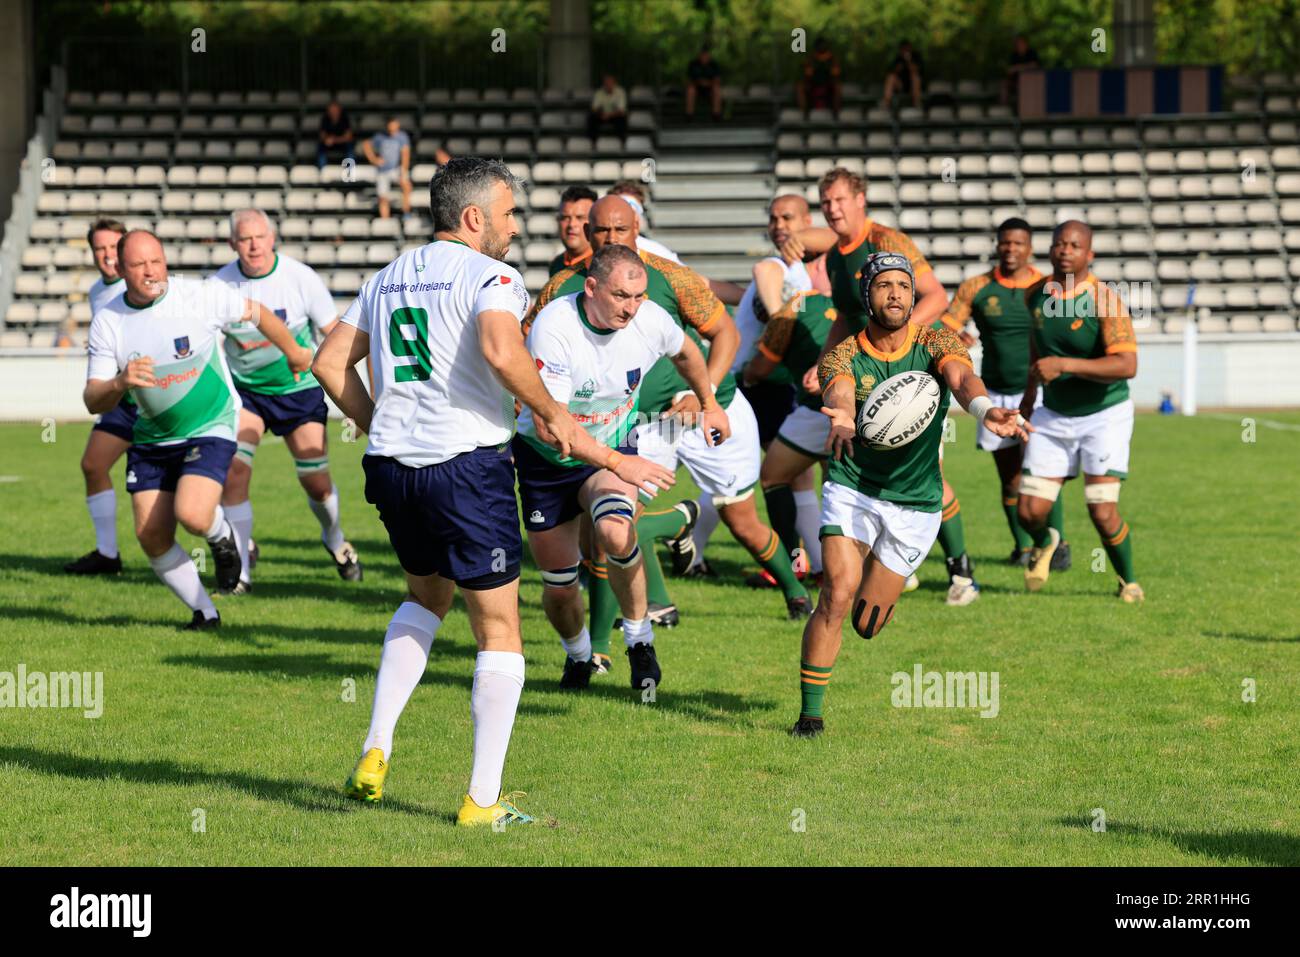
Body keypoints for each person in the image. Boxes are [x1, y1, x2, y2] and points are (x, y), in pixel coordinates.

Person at [313, 157, 581, 827]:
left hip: (394, 469)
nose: (516, 227)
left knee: (425, 598)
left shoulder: (386, 275)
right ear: (473, 218)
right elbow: (499, 348)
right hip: (465, 468)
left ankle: (376, 747)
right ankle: (481, 801)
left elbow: (326, 362)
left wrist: (382, 425)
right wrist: (552, 411)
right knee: (500, 629)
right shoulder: (492, 275)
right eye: (510, 213)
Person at [530, 196, 811, 669]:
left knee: (740, 520)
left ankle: (795, 590)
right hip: (638, 423)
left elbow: (724, 335)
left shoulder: (669, 275)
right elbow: (523, 340)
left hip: (706, 410)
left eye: (621, 230)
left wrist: (703, 397)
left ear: (637, 228)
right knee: (611, 527)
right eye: (600, 230)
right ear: (586, 232)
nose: (611, 239)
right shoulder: (562, 287)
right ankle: (601, 647)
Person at [792, 252, 1029, 738]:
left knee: (867, 624)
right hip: (853, 487)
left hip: (917, 500)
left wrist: (985, 412)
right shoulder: (844, 352)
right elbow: (838, 389)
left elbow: (962, 379)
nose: (896, 293)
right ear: (868, 295)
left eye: (903, 284)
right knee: (836, 595)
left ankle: (882, 581)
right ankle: (810, 717)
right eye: (884, 285)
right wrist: (839, 414)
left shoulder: (936, 339)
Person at [517, 244, 728, 690]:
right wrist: (621, 463)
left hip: (610, 451)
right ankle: (578, 656)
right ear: (591, 287)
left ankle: (639, 640)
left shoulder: (649, 318)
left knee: (615, 533)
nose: (631, 308)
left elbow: (688, 352)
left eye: (639, 297)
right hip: (547, 459)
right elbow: (552, 427)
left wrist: (709, 403)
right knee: (559, 585)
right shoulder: (555, 326)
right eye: (620, 297)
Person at [83, 231, 310, 629]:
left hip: (211, 425)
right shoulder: (108, 321)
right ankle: (205, 612)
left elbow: (257, 312)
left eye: (156, 261)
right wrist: (119, 383)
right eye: (138, 265)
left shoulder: (198, 295)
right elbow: (92, 399)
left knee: (192, 512)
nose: (151, 271)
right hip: (152, 438)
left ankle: (223, 539)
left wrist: (294, 352)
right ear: (120, 270)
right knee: (151, 535)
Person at [781, 169, 978, 603]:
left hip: (910, 379)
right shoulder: (835, 256)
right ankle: (885, 563)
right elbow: (845, 320)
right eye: (826, 201)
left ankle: (961, 571)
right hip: (863, 379)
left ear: (860, 200)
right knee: (847, 459)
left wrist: (898, 345)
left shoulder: (887, 241)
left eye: (839, 200)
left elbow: (935, 298)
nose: (832, 209)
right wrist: (824, 361)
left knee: (927, 475)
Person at [677, 194, 825, 586]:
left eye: (788, 218)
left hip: (764, 386)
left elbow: (753, 297)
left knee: (741, 478)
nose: (779, 225)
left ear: (808, 222)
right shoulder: (776, 267)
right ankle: (803, 565)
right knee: (779, 479)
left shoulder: (794, 272)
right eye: (774, 218)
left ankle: (694, 549)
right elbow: (767, 290)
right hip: (758, 386)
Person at [211, 209, 359, 593]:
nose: (254, 245)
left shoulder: (300, 278)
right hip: (248, 395)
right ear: (232, 244)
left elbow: (336, 337)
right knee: (234, 474)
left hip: (298, 392)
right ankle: (241, 571)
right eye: (245, 239)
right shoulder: (220, 285)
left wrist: (358, 403)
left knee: (317, 483)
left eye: (260, 236)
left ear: (272, 238)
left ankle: (334, 539)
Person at [1017, 221, 1143, 602]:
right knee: (1028, 511)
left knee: (1102, 513)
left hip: (1104, 416)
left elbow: (1126, 366)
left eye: (1074, 245)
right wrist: (1029, 394)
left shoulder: (1106, 300)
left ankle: (1128, 580)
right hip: (1053, 414)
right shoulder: (1035, 295)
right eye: (1059, 244)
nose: (1065, 250)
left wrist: (1065, 365)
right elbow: (1038, 350)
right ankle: (1048, 540)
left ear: (1089, 255)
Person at [941, 218, 1070, 569]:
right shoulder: (976, 287)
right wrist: (958, 338)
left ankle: (1058, 545)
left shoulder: (1048, 288)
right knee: (1010, 478)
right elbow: (945, 329)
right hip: (994, 394)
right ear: (997, 245)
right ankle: (1023, 547)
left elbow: (1067, 332)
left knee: (1042, 470)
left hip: (1039, 393)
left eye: (1018, 243)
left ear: (1029, 248)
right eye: (1005, 243)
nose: (1011, 249)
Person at [65, 218, 130, 575]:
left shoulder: (140, 285)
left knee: (187, 485)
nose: (107, 255)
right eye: (99, 249)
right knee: (93, 465)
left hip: (156, 398)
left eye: (113, 247)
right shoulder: (96, 291)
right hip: (120, 399)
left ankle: (237, 542)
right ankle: (108, 555)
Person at [608, 181, 746, 305]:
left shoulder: (654, 252)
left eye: (633, 208)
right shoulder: (590, 251)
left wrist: (748, 297)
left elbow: (696, 284)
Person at [362, 117, 413, 220]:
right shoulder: (380, 136)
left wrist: (403, 171)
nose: (392, 132)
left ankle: (406, 212)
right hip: (382, 171)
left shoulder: (402, 137)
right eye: (390, 130)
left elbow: (405, 155)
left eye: (394, 129)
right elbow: (366, 144)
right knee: (382, 198)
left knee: (407, 185)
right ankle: (386, 222)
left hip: (396, 169)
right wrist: (373, 159)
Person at [549, 185, 597, 277]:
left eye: (580, 218)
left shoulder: (603, 266)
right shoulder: (556, 265)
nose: (571, 224)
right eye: (565, 218)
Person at [799, 37, 842, 116]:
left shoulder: (832, 58)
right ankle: (805, 112)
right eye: (820, 45)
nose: (821, 47)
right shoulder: (811, 58)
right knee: (800, 87)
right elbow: (808, 74)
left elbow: (836, 74)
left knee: (837, 87)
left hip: (828, 83)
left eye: (823, 45)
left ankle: (836, 112)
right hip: (814, 83)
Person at [881, 41, 924, 111]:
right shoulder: (898, 58)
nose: (905, 51)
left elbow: (917, 70)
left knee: (915, 77)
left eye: (907, 48)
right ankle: (886, 103)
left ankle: (917, 102)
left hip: (913, 86)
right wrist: (897, 69)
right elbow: (890, 71)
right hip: (901, 85)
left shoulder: (916, 57)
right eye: (903, 49)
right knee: (891, 77)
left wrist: (909, 61)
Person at [685, 44, 723, 121]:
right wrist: (699, 82)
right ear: (699, 55)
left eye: (706, 54)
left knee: (717, 89)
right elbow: (688, 80)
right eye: (702, 54)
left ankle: (716, 115)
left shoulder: (714, 65)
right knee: (690, 90)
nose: (704, 56)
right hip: (696, 88)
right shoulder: (693, 64)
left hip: (710, 88)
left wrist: (708, 83)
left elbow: (718, 80)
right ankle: (689, 115)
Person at [316, 100, 355, 171]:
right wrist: (326, 140)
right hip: (329, 144)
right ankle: (322, 171)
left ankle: (349, 172)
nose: (333, 112)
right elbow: (322, 136)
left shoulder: (345, 119)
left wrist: (334, 140)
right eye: (331, 110)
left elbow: (348, 137)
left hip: (342, 143)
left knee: (350, 148)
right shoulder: (325, 119)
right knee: (320, 147)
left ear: (339, 110)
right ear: (328, 111)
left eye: (335, 110)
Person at [1002, 35, 1041, 106]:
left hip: (1032, 80)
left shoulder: (1031, 53)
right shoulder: (1014, 55)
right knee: (1004, 84)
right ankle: (1004, 106)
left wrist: (1018, 67)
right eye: (1018, 44)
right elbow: (1009, 69)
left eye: (1021, 43)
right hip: (1016, 80)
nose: (1019, 45)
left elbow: (1034, 65)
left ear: (1026, 43)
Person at [587, 74, 628, 140]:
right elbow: (594, 108)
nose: (608, 85)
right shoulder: (599, 92)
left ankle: (621, 141)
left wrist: (609, 115)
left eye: (610, 83)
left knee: (622, 119)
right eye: (606, 83)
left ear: (614, 83)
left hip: (615, 116)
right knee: (591, 118)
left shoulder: (620, 92)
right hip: (602, 115)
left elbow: (621, 110)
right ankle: (592, 141)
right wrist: (602, 114)